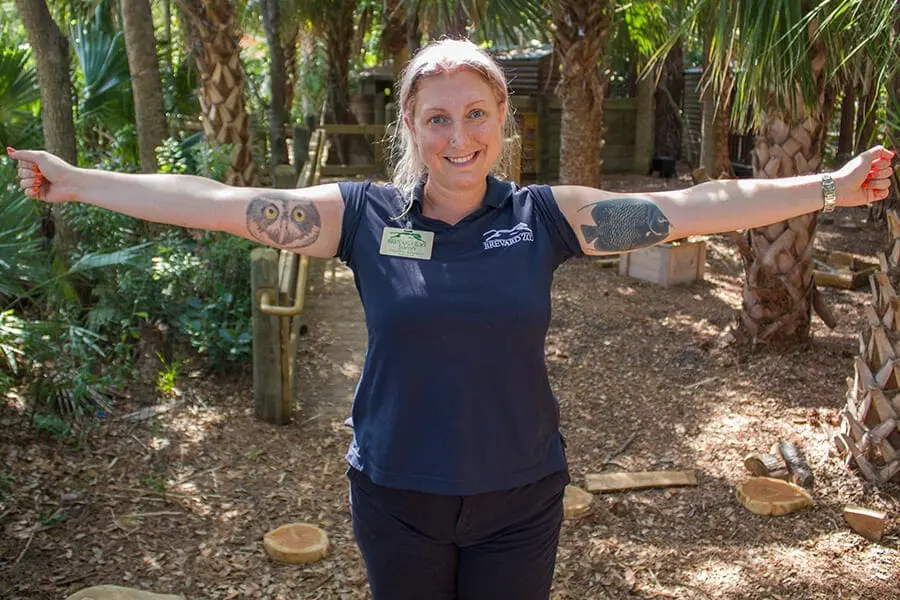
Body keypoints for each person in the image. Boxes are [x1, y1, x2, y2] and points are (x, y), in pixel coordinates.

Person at [7, 38, 895, 600]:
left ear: (503, 120)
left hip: (521, 497)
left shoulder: (545, 216)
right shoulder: (360, 216)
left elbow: (698, 204)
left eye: (476, 114)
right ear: (411, 124)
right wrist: (77, 179)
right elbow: (217, 200)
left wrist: (831, 186)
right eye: (438, 118)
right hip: (396, 499)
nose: (458, 136)